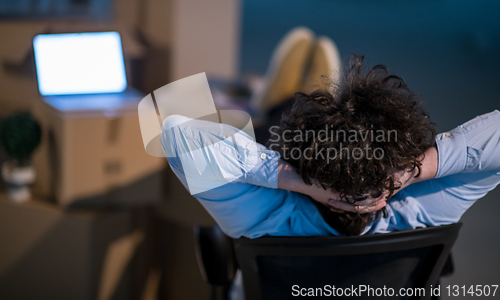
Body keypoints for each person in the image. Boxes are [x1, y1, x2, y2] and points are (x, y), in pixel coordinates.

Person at [160, 55, 500, 239]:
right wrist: (409, 172)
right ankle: (303, 76)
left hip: (291, 159)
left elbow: (177, 134)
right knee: (331, 122)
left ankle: (283, 87)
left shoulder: (266, 219)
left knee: (280, 123)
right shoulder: (421, 215)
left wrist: (301, 181)